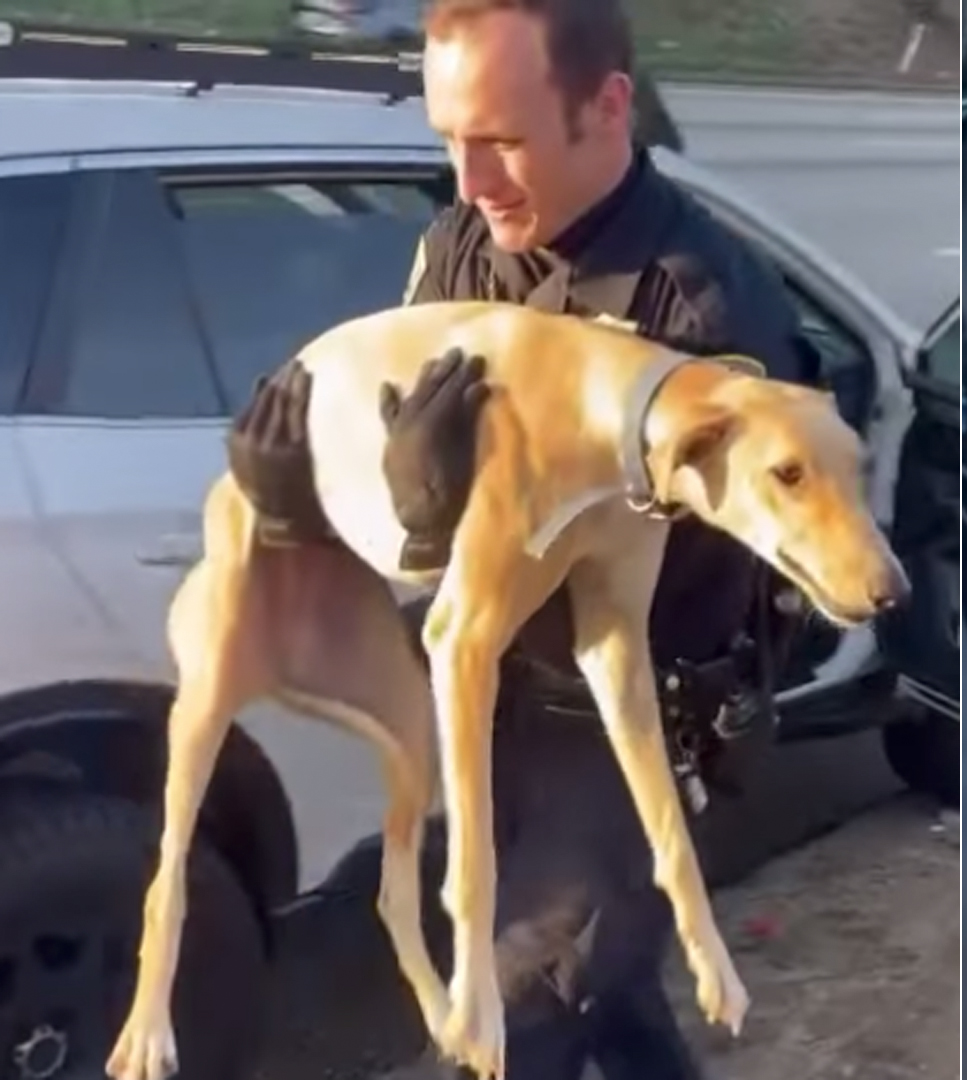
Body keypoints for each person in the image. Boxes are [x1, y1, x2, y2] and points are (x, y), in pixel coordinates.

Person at [221, 0, 812, 1076]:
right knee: (614, 997)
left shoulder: (705, 321)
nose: (468, 178)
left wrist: (460, 516)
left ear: (607, 107)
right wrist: (291, 501)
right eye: (449, 138)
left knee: (518, 1014)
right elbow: (383, 448)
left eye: (499, 139)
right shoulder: (463, 244)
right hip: (492, 707)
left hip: (628, 731)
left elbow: (704, 587)